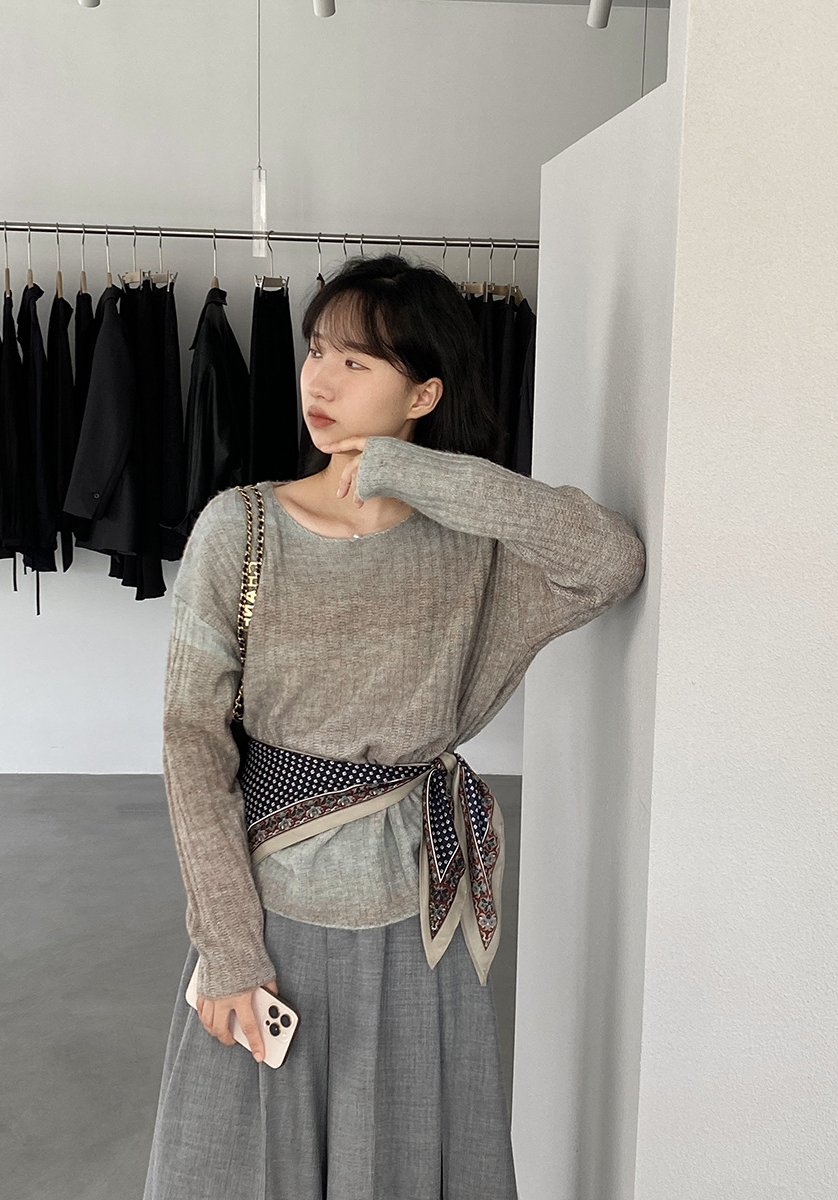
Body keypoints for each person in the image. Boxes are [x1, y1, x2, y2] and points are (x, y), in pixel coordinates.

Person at [142, 253, 647, 1200]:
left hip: (419, 911)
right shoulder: (240, 528)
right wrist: (229, 948)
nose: (320, 381)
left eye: (357, 362)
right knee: (244, 1165)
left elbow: (609, 560)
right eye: (316, 351)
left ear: (424, 394)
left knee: (404, 1160)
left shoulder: (473, 547)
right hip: (274, 906)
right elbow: (190, 740)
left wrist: (415, 472)